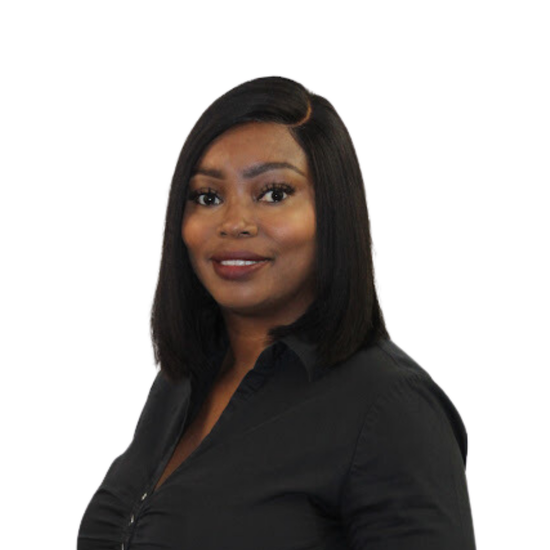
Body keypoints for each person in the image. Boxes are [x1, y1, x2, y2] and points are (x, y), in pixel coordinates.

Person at [77, 76, 477, 550]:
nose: (234, 223)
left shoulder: (390, 408)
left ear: (332, 211)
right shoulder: (180, 383)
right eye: (208, 196)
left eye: (273, 193)